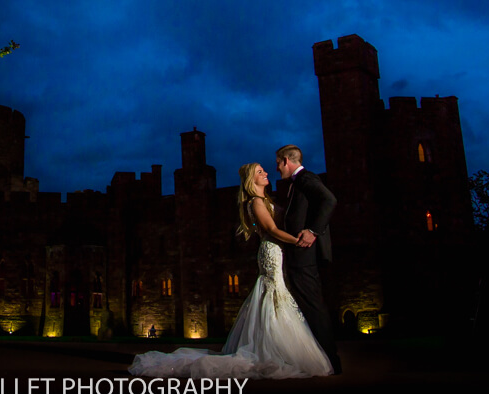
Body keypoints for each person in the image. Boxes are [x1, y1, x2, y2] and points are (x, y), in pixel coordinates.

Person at [128, 163, 333, 379]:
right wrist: (299, 241)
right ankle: (271, 351)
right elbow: (272, 230)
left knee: (276, 297)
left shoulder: (265, 201)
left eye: (263, 171)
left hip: (278, 252)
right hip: (271, 251)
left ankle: (276, 349)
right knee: (273, 295)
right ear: (251, 181)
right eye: (260, 172)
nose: (265, 173)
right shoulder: (255, 202)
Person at [276, 144, 342, 374]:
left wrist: (312, 230)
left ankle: (330, 360)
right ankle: (318, 357)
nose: (277, 169)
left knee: (313, 306)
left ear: (286, 161)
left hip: (305, 255)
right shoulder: (298, 183)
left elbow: (329, 200)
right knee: (307, 306)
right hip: (299, 255)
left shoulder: (306, 178)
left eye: (278, 163)